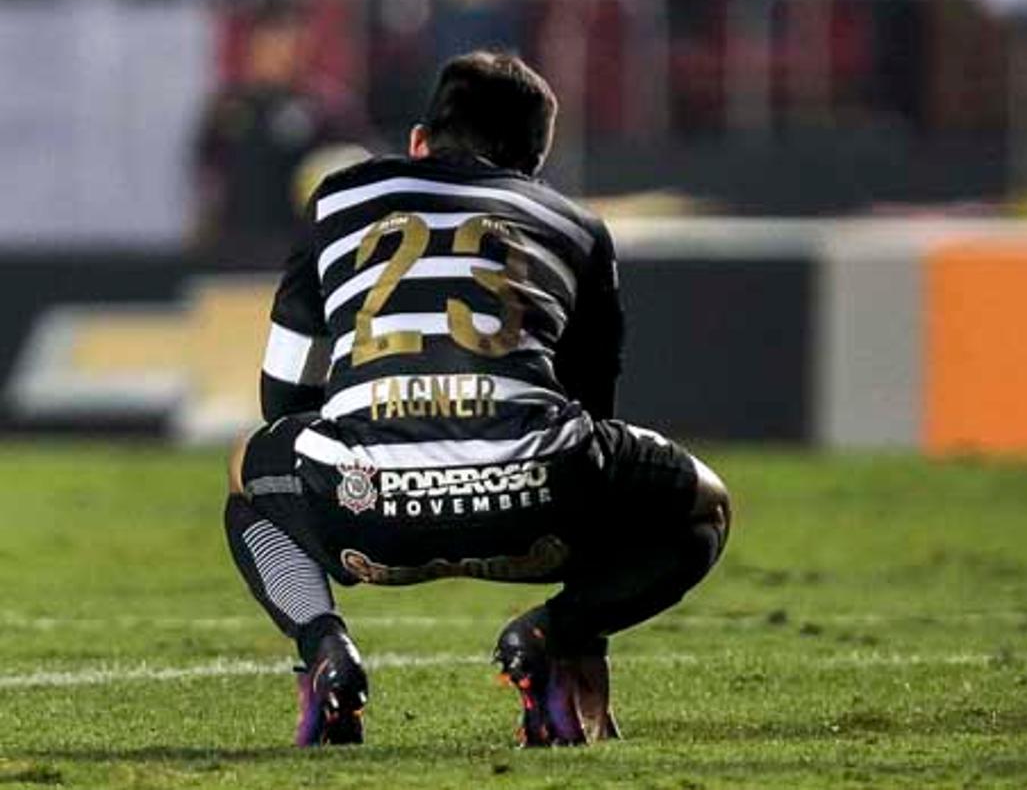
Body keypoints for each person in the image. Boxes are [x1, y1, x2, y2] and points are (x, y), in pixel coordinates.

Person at [222, 51, 730, 747]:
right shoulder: (574, 225)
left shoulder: (335, 200)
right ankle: (550, 632)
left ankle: (325, 650)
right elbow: (588, 412)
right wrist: (587, 628)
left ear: (419, 140)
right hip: (533, 505)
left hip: (369, 506)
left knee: (248, 473)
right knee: (705, 507)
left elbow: (283, 395)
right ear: (532, 166)